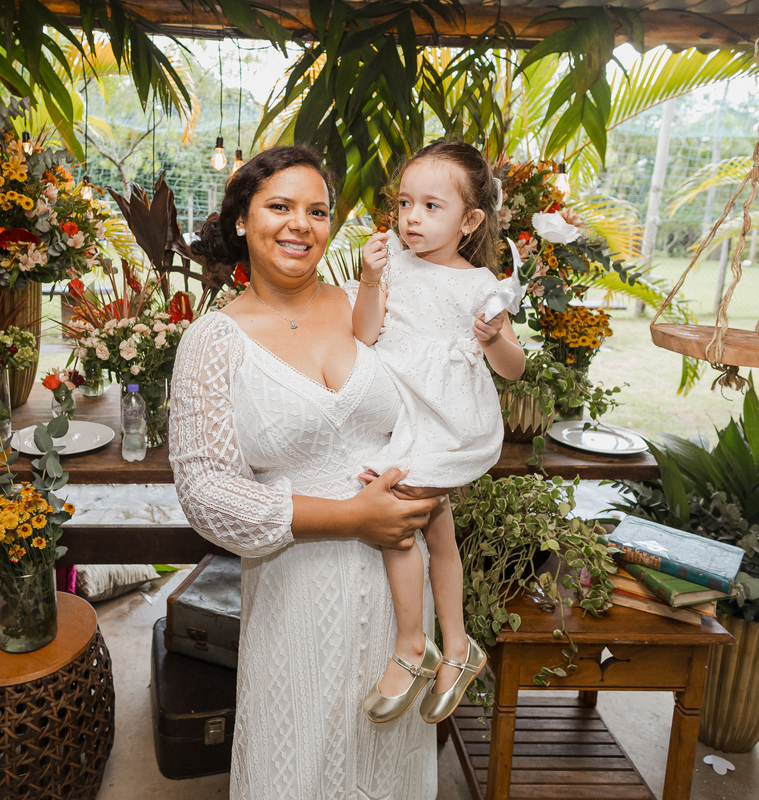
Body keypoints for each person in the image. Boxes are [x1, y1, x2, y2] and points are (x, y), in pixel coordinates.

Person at [170, 145, 445, 799]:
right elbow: (205, 490)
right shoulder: (213, 341)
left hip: (397, 593)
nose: (300, 224)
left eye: (317, 210)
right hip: (297, 592)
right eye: (280, 206)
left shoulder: (367, 306)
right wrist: (353, 515)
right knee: (297, 759)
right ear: (241, 219)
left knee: (387, 764)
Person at [353, 140, 526, 725]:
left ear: (470, 220)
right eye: (405, 203)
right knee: (441, 536)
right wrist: (370, 282)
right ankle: (457, 648)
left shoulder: (480, 283)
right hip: (402, 416)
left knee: (397, 520)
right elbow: (364, 335)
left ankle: (412, 646)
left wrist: (493, 336)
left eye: (431, 206)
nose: (411, 218)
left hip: (448, 423)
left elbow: (514, 367)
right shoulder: (392, 266)